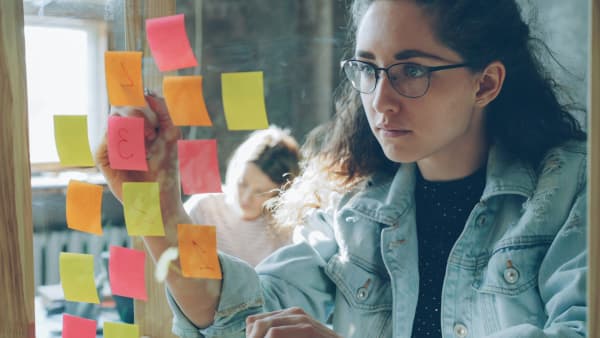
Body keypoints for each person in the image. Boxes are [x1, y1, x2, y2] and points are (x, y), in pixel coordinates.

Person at [96, 0, 588, 337]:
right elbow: (238, 316)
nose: (380, 101)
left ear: (486, 84)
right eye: (369, 70)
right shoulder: (350, 206)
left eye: (412, 70)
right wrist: (157, 210)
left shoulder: (573, 192)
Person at [183, 126, 300, 267]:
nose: (245, 198)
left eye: (260, 192)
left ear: (279, 195)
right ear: (235, 167)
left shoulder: (285, 232)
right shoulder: (204, 209)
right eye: (242, 183)